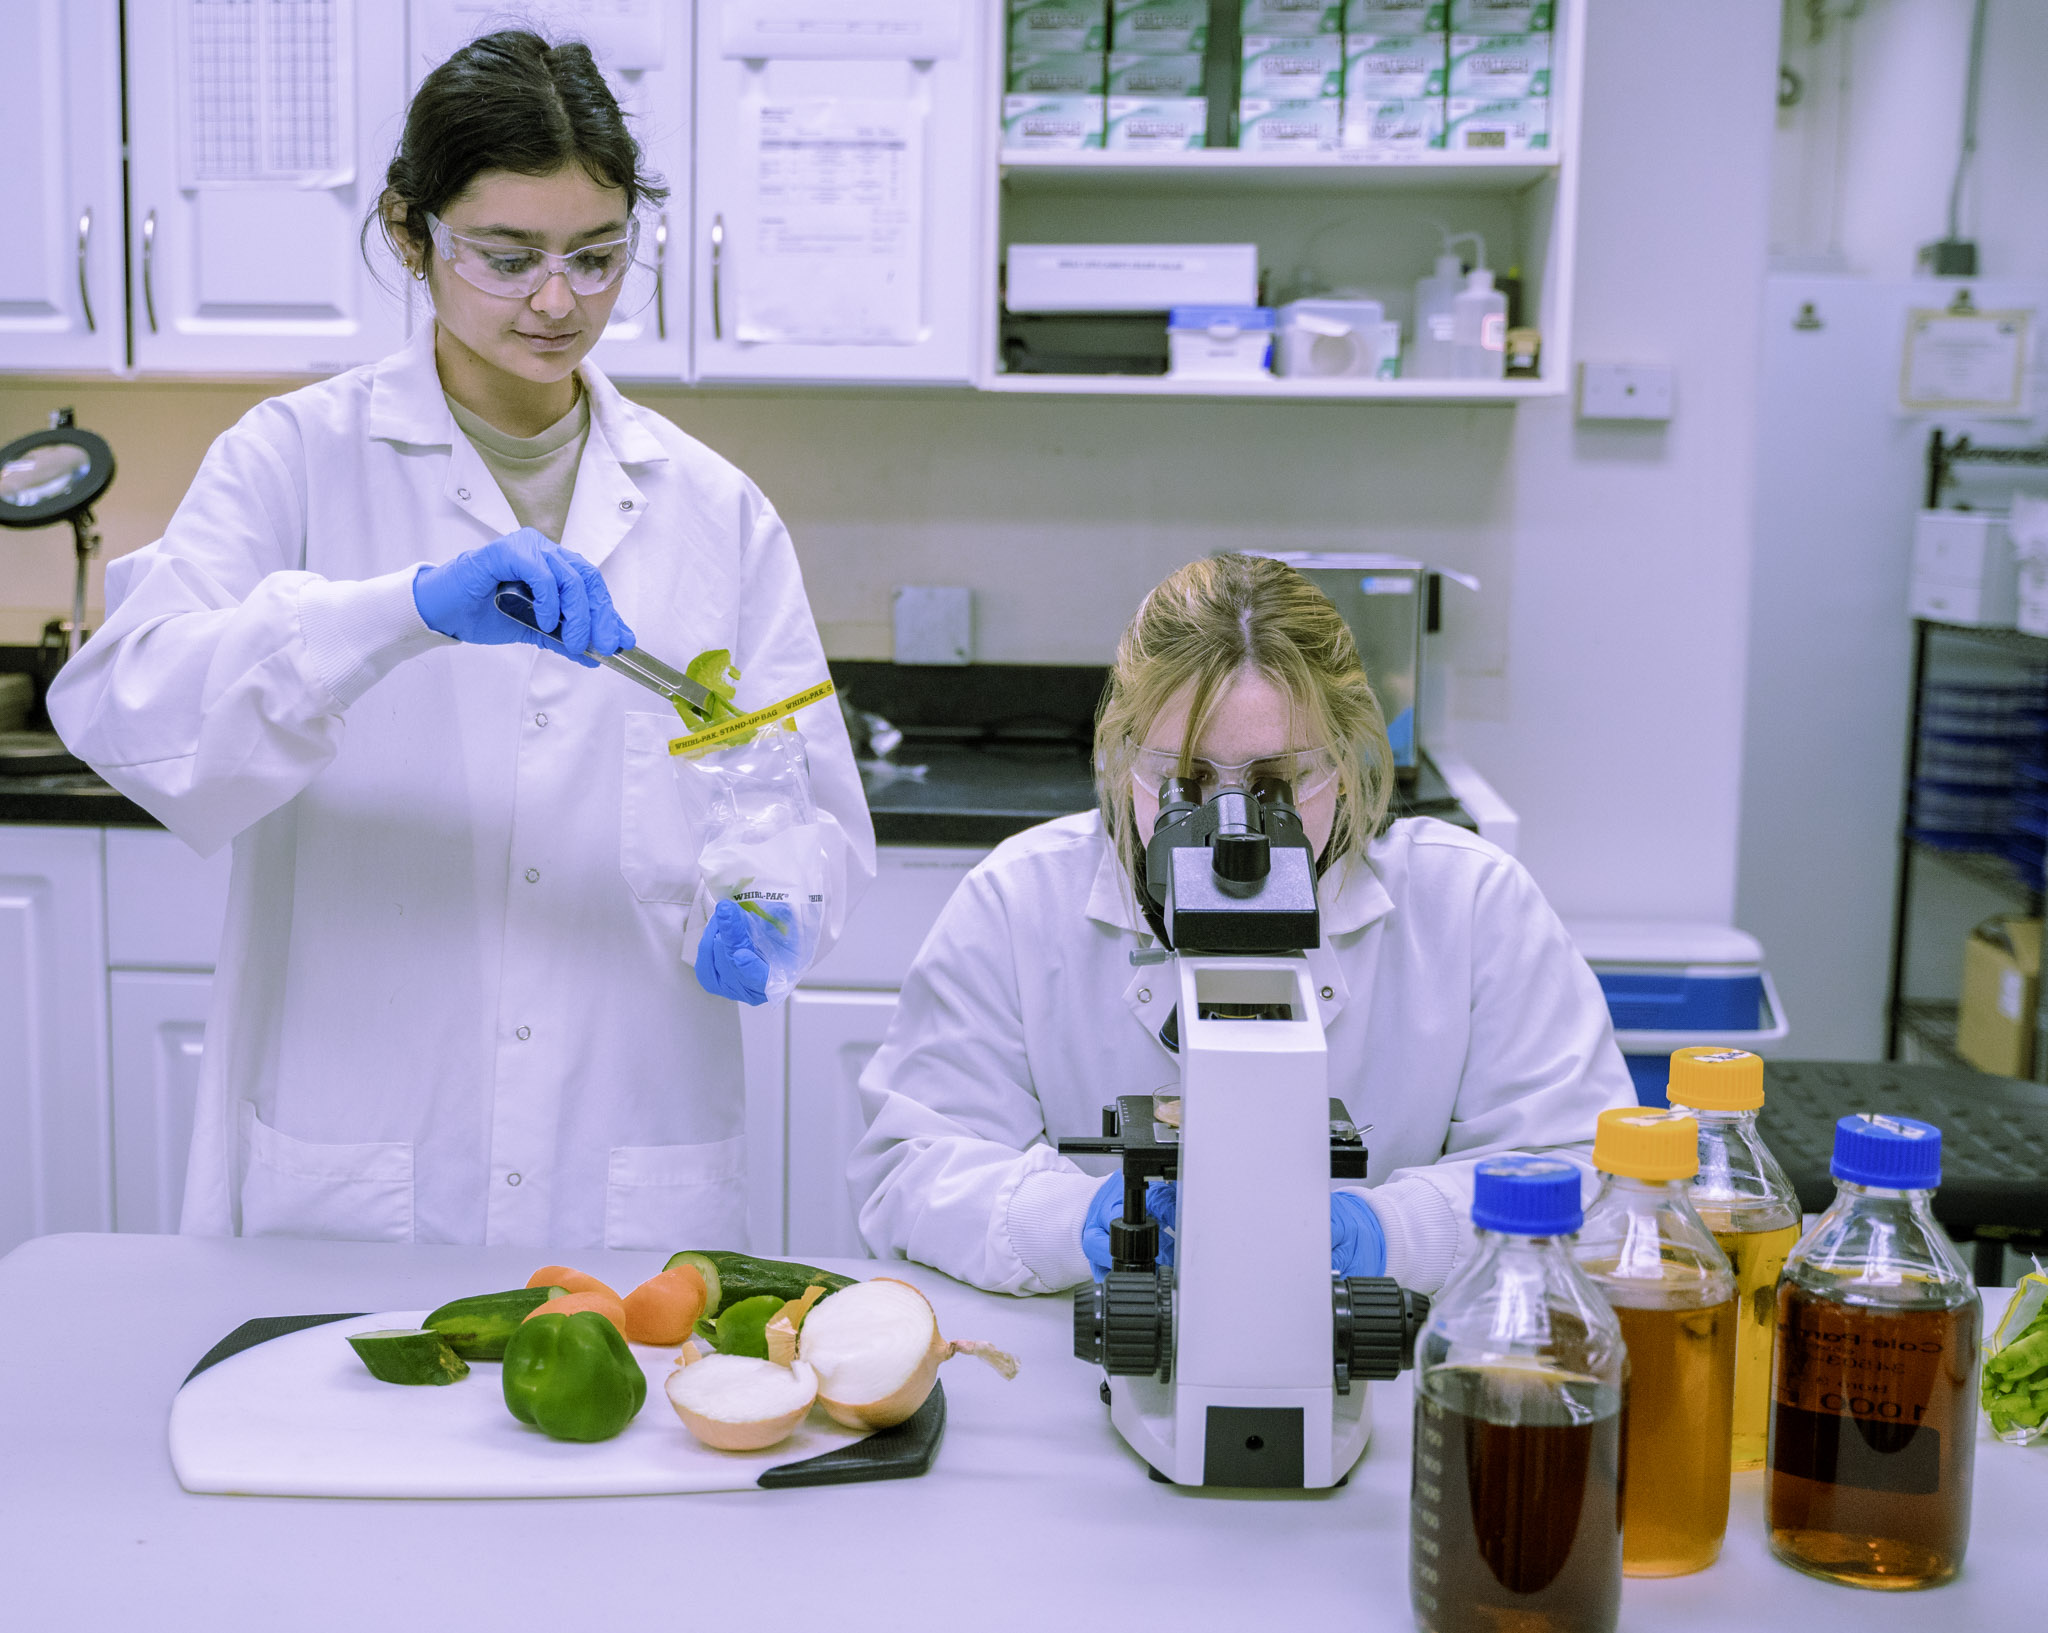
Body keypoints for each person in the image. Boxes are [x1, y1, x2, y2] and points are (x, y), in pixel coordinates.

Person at [49, 32, 872, 1249]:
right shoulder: (294, 461)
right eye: (508, 257)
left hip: (624, 1148)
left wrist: (771, 900)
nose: (557, 302)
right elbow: (127, 709)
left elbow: (812, 812)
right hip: (364, 1139)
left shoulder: (714, 511)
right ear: (408, 233)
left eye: (597, 259)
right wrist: (400, 612)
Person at [851, 554, 1631, 1296]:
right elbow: (914, 1167)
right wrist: (1090, 1224)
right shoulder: (1019, 902)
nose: (1237, 833)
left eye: (1278, 781)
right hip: (1079, 1355)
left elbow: (1581, 1172)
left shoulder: (1470, 904)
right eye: (1185, 783)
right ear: (1123, 759)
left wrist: (1388, 1233)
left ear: (1352, 756)